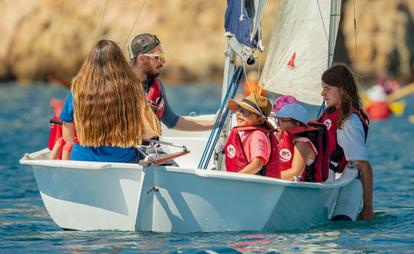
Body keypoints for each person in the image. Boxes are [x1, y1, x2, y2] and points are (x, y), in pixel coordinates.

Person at [57, 39, 160, 163]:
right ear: (120, 63)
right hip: (123, 159)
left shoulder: (78, 90)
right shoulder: (132, 88)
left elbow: (67, 126)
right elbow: (149, 133)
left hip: (81, 157)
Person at [319, 63, 374, 220]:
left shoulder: (349, 121)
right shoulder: (329, 114)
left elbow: (364, 166)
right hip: (325, 175)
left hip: (342, 181)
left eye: (327, 88)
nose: (322, 93)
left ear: (342, 89)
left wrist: (368, 208)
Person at [129, 33, 216, 131]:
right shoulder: (118, 88)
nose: (163, 62)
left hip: (151, 145)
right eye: (158, 57)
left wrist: (213, 124)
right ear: (142, 59)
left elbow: (173, 121)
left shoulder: (155, 86)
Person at [224, 93, 280, 178]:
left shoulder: (258, 135)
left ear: (260, 120)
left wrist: (234, 179)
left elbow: (257, 164)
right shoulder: (247, 133)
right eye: (239, 109)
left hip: (253, 187)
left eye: (246, 111)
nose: (240, 114)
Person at [273, 102, 324, 182]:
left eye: (282, 120)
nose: (278, 123)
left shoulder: (302, 143)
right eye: (277, 119)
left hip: (299, 189)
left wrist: (268, 176)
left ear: (296, 124)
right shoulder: (285, 136)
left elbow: (296, 173)